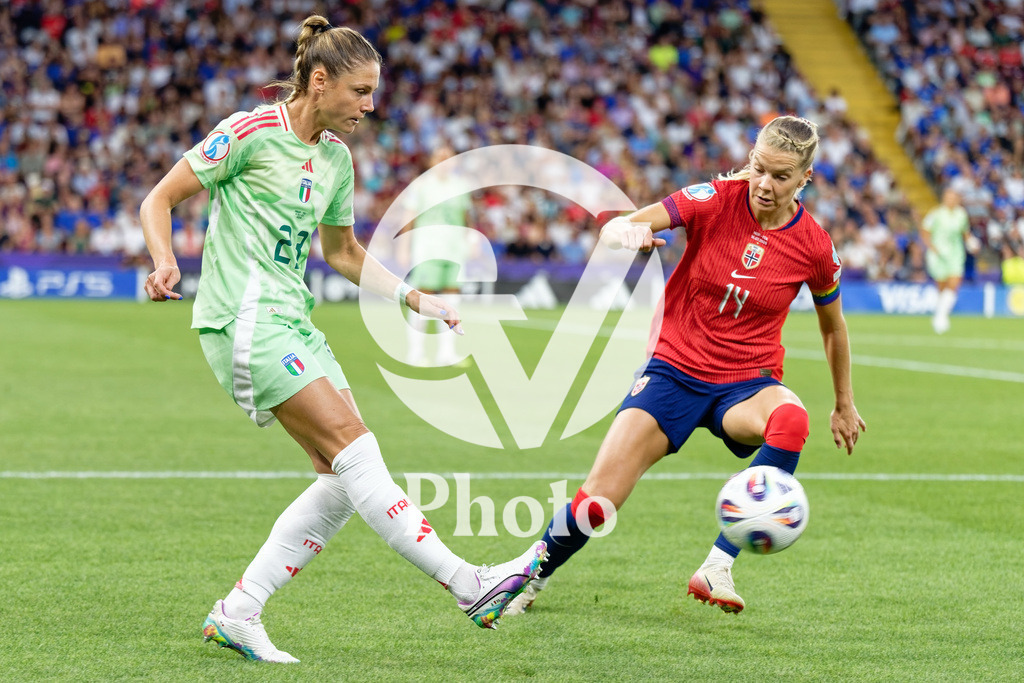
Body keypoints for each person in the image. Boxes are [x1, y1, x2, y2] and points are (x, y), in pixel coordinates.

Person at [140, 16, 545, 664]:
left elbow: (344, 251)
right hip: (243, 320)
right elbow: (158, 198)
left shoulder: (334, 159)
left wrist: (413, 296)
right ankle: (470, 584)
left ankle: (238, 610)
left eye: (373, 92)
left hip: (293, 319)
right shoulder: (248, 133)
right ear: (320, 81)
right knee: (358, 451)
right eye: (360, 91)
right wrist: (164, 260)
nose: (370, 106)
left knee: (338, 478)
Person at [505, 115, 866, 616]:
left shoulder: (814, 246)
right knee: (598, 502)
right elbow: (617, 227)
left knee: (791, 419)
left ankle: (718, 564)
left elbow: (833, 328)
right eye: (759, 168)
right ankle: (527, 578)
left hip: (747, 383)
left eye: (780, 177)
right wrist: (626, 236)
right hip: (674, 370)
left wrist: (844, 404)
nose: (764, 184)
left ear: (805, 178)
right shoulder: (713, 199)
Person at [400, 144, 474, 366]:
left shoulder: (461, 186)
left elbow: (466, 217)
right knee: (423, 302)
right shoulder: (421, 186)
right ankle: (415, 353)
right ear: (432, 161)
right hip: (427, 250)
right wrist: (403, 247)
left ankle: (446, 353)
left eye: (448, 157)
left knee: (452, 301)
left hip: (454, 252)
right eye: (440, 157)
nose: (444, 162)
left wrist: (472, 239)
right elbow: (409, 218)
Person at [920, 188, 971, 334]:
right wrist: (932, 248)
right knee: (942, 286)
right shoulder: (935, 214)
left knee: (954, 283)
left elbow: (965, 233)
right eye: (948, 197)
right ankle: (939, 315)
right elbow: (925, 232)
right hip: (938, 255)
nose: (951, 200)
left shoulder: (961, 214)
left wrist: (971, 242)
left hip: (955, 254)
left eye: (954, 197)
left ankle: (941, 316)